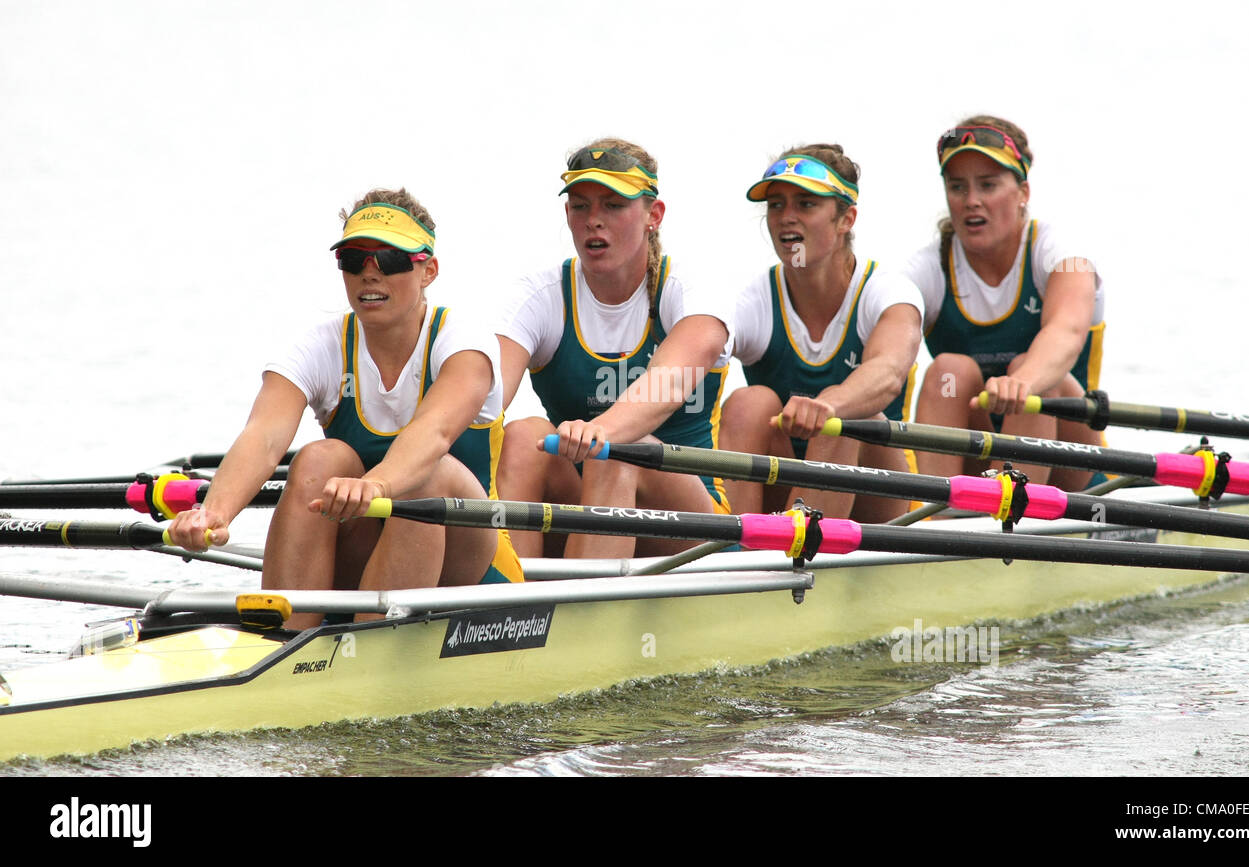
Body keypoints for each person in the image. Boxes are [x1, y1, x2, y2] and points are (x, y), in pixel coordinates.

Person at [169, 188, 522, 629]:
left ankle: (370, 650)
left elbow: (433, 433)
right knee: (320, 458)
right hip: (368, 557)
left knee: (426, 476)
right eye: (354, 259)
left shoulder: (464, 342)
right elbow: (263, 437)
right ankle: (284, 640)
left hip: (471, 567)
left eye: (390, 260)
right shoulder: (321, 345)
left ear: (428, 270)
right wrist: (214, 513)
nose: (369, 275)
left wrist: (375, 485)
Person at [496, 138, 733, 559]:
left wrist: (602, 430)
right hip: (587, 500)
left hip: (692, 526)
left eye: (613, 205)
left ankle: (581, 614)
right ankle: (514, 606)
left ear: (652, 216)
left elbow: (667, 384)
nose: (593, 221)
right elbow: (484, 399)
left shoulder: (691, 288)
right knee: (522, 435)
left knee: (621, 449)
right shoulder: (541, 296)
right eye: (580, 206)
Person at [722, 144, 922, 521]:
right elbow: (697, 352)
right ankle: (740, 556)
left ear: (846, 219)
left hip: (883, 497)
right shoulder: (754, 300)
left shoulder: (889, 291)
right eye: (776, 205)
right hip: (788, 476)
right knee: (748, 402)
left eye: (806, 204)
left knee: (843, 420)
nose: (786, 218)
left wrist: (831, 405)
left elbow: (889, 372)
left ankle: (800, 550)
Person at [905, 116, 1105, 490]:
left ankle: (1012, 516)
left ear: (1023, 192)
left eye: (988, 185)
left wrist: (1022, 382)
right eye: (957, 187)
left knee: (1036, 377)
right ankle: (940, 520)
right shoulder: (926, 268)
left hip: (1070, 454)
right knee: (947, 371)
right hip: (976, 446)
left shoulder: (1061, 254)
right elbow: (886, 347)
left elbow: (1067, 330)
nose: (971, 201)